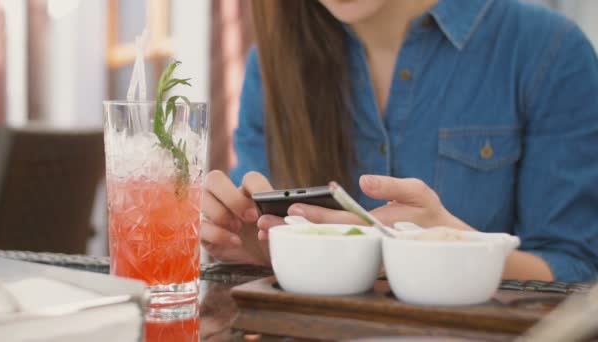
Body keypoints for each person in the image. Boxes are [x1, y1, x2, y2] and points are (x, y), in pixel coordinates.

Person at [201, 0, 598, 282]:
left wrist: (452, 248)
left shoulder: (549, 50)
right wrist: (256, 248)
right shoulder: (270, 64)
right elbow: (263, 249)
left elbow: (574, 270)